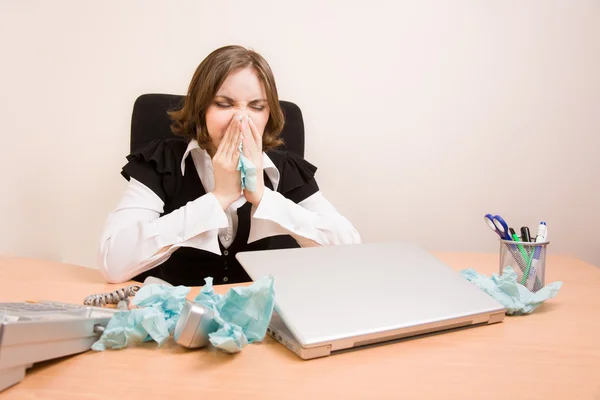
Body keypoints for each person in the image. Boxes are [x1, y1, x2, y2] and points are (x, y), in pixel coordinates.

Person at [98, 45, 361, 286]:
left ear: (269, 114)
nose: (241, 119)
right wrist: (218, 197)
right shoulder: (162, 161)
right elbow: (113, 263)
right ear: (201, 108)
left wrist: (263, 196)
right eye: (224, 104)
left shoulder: (286, 169)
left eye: (257, 107)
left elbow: (350, 251)